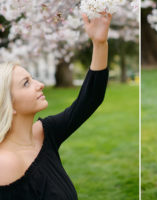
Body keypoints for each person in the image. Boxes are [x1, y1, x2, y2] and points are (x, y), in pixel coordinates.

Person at [0, 12, 111, 199]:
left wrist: (100, 43)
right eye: (26, 83)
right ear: (9, 105)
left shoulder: (44, 132)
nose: (40, 84)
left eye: (32, 78)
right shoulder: (6, 164)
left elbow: (90, 99)